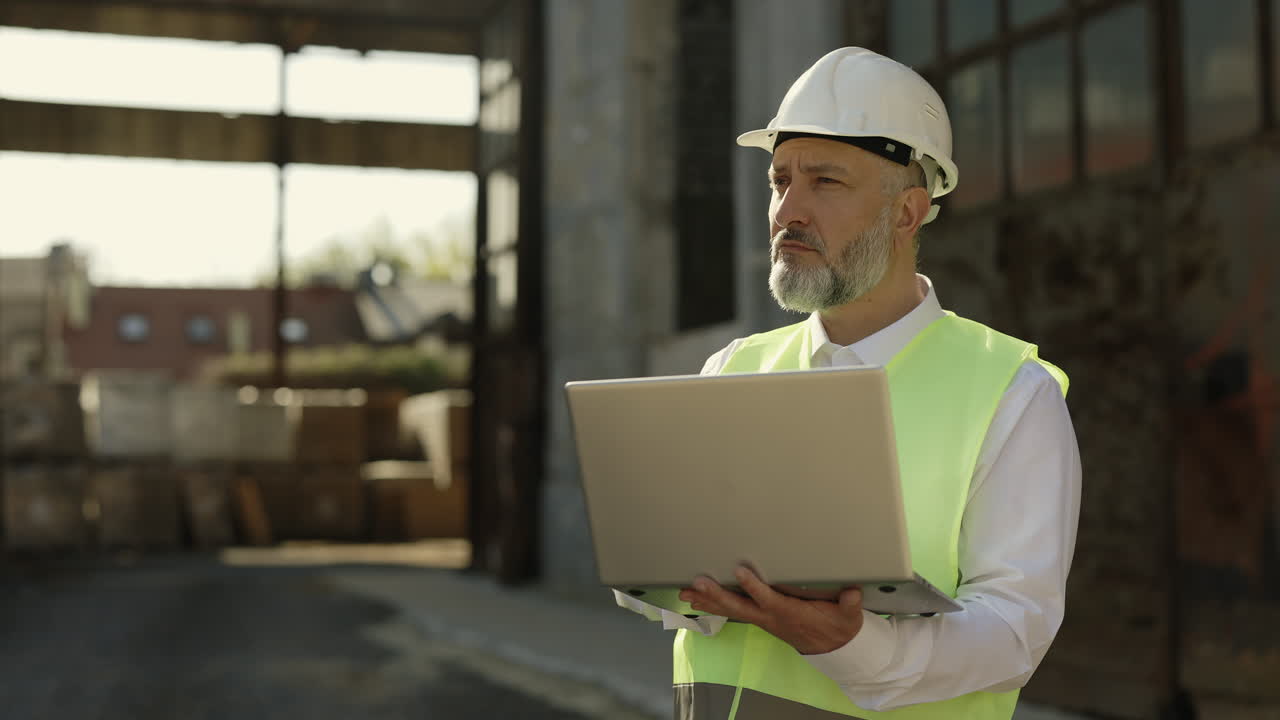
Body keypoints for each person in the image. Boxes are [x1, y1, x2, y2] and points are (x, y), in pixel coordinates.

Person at [614, 47, 1082, 720]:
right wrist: (656, 573)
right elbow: (682, 596)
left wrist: (855, 645)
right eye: (780, 181)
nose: (787, 211)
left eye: (825, 183)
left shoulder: (1011, 392)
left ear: (906, 214)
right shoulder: (732, 369)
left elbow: (1015, 633)